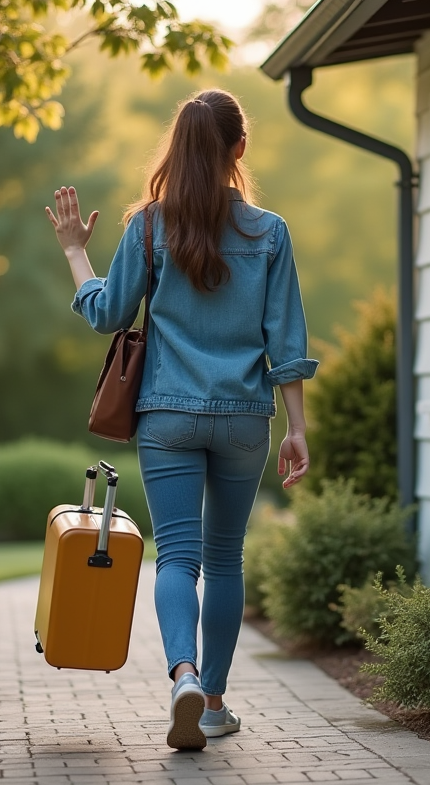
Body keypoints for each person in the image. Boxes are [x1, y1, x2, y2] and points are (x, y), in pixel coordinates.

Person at [44, 88, 317, 751]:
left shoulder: (147, 227)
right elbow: (285, 340)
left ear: (180, 147)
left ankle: (184, 677)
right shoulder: (270, 232)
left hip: (168, 413)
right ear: (239, 148)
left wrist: (75, 251)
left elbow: (108, 314)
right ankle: (214, 705)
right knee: (225, 560)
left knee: (177, 557)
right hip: (245, 418)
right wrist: (298, 428)